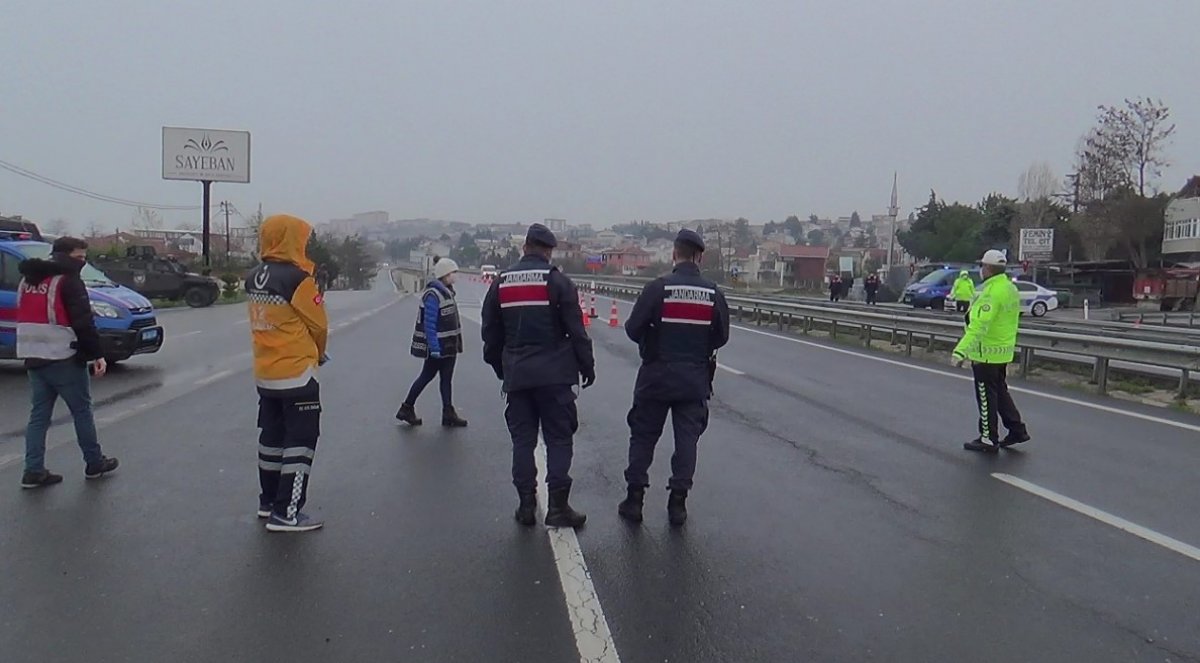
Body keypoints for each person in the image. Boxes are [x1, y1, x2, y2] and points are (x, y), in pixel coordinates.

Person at [482, 223, 595, 529]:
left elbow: (490, 334)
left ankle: (526, 504)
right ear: (548, 251)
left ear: (524, 248)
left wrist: (502, 368)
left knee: (522, 440)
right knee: (559, 439)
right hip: (555, 378)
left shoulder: (501, 282)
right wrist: (587, 367)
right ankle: (558, 507)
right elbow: (577, 331)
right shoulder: (558, 282)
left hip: (518, 376)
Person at [618, 229, 731, 526]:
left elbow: (631, 329)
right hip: (693, 379)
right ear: (700, 257)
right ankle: (678, 503)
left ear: (674, 254)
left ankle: (634, 499)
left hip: (655, 376)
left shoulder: (658, 289)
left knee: (643, 437)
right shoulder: (712, 294)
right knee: (687, 442)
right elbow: (721, 337)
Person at [245, 214, 329, 532]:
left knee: (271, 437)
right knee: (301, 440)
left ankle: (268, 502)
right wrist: (319, 354)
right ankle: (288, 512)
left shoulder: (253, 276)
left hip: (266, 372)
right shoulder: (298, 279)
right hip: (297, 373)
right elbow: (318, 325)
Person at [16, 237, 119, 488]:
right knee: (82, 411)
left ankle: (33, 470)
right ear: (67, 256)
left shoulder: (28, 279)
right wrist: (96, 355)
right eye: (80, 257)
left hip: (33, 356)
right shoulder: (68, 281)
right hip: (63, 356)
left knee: (38, 416)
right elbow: (83, 322)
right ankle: (94, 463)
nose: (83, 262)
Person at [952, 250, 1030, 453]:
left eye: (982, 266)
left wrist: (960, 351)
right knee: (1001, 393)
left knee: (987, 397)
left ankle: (988, 438)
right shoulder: (1009, 288)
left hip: (986, 352)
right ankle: (1016, 429)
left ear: (987, 268)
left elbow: (979, 325)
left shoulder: (991, 293)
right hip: (1002, 351)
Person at [397, 257, 467, 427]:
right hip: (439, 346)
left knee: (446, 379)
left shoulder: (447, 291)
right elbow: (429, 322)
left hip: (449, 346)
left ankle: (448, 413)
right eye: (452, 273)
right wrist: (434, 347)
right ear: (444, 274)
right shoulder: (433, 294)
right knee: (426, 376)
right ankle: (407, 407)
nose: (454, 276)